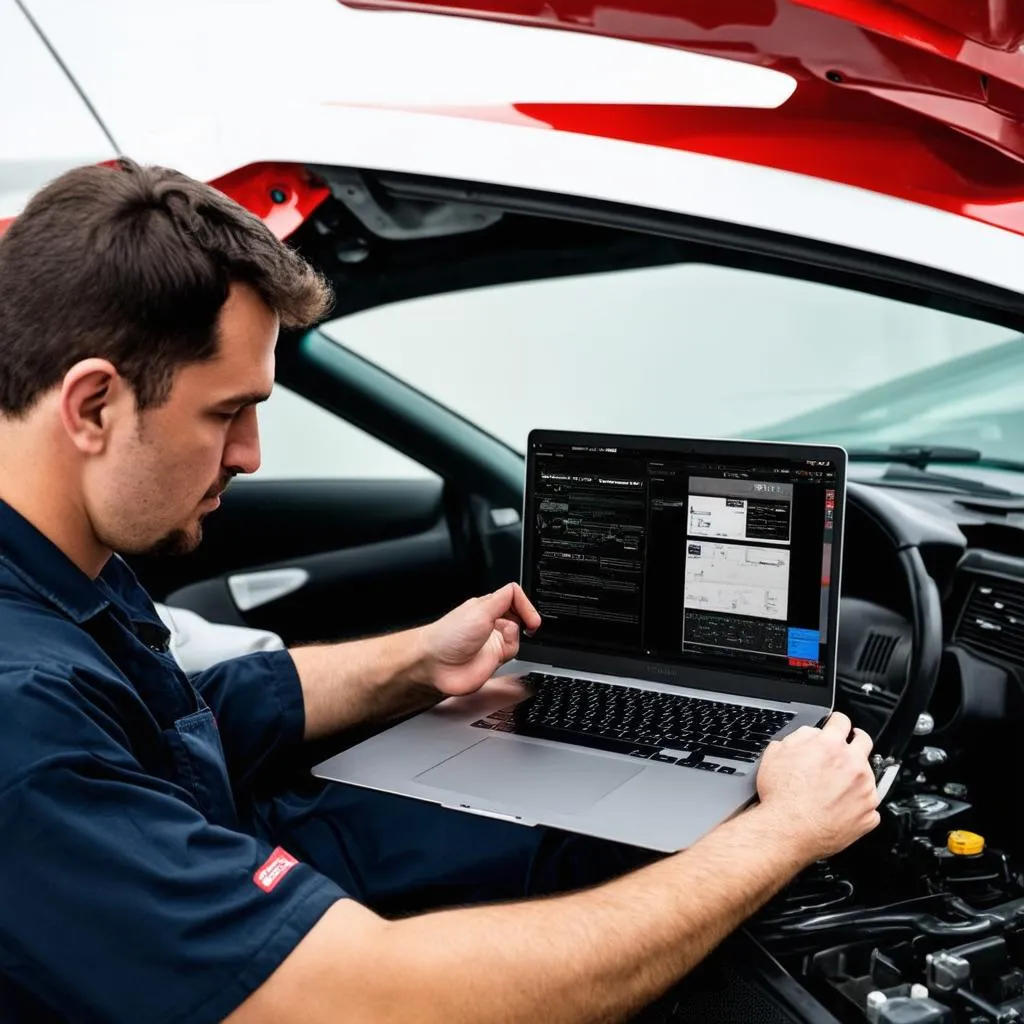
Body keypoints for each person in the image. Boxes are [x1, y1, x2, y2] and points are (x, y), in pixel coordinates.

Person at [0, 160, 881, 1024]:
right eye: (227, 410)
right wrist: (781, 833)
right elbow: (374, 1001)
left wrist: (419, 660)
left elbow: (178, 719)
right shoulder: (22, 718)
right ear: (92, 407)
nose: (251, 455)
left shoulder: (60, 570)